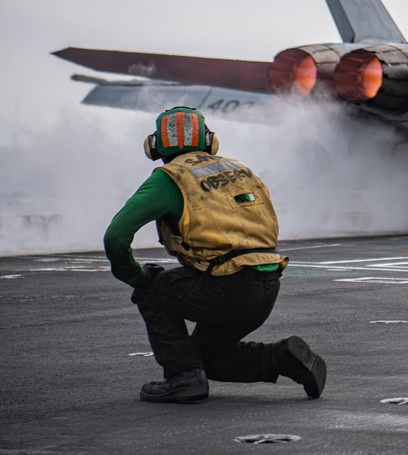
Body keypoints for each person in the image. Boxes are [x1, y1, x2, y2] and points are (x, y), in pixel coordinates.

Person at [103, 106, 326, 403]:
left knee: (151, 292)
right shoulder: (241, 170)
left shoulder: (170, 178)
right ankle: (281, 357)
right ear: (210, 141)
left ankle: (182, 378)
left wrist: (136, 276)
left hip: (225, 285)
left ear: (154, 145)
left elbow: (115, 236)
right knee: (205, 358)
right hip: (267, 285)